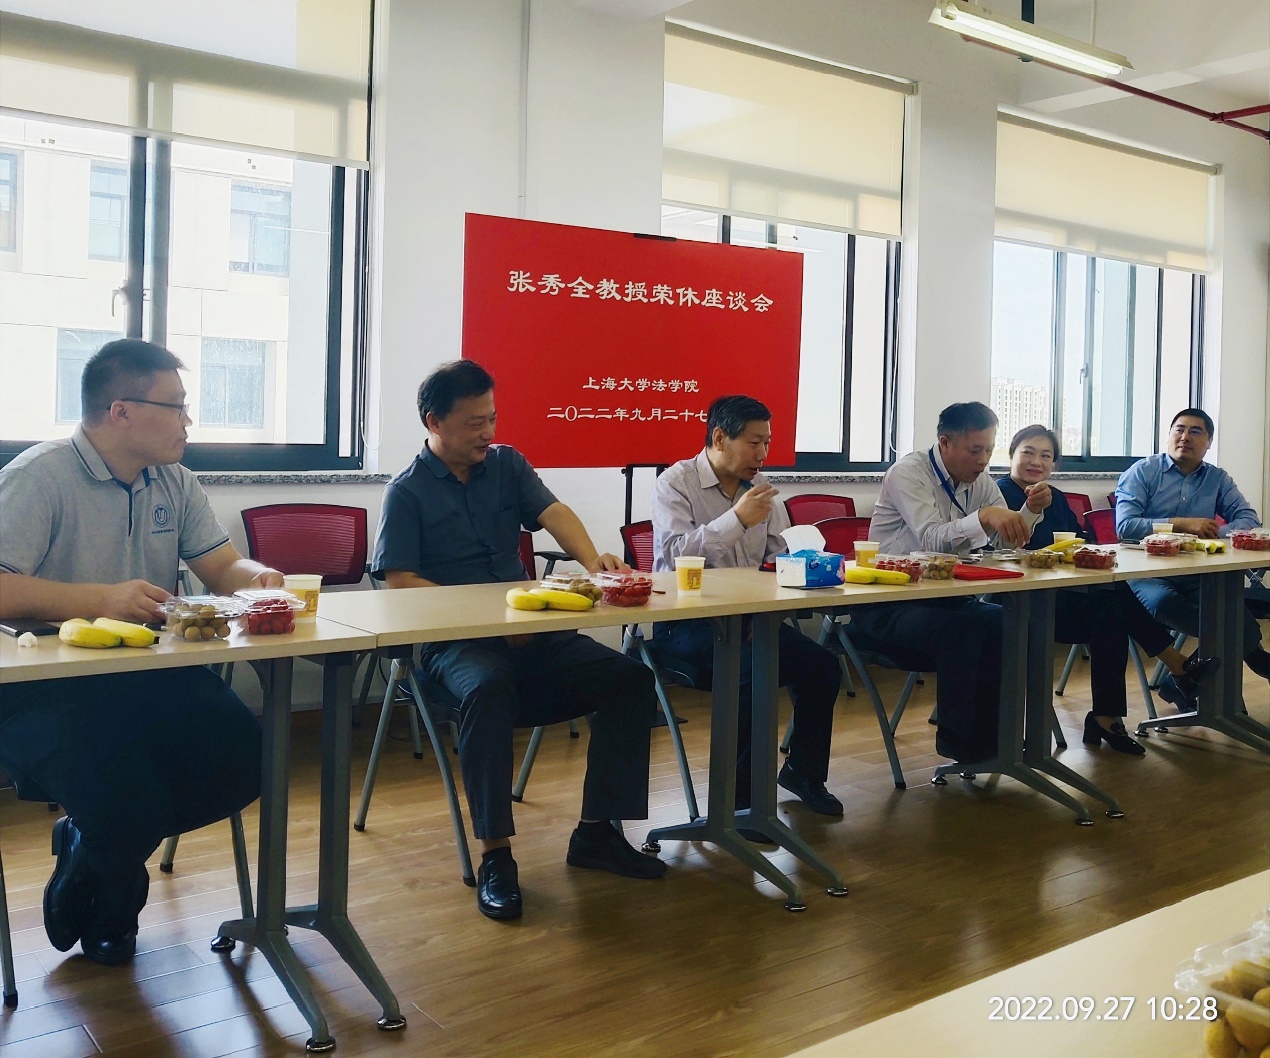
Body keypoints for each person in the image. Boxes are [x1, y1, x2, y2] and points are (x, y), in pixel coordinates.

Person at [0, 340, 271, 966]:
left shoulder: (174, 479)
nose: (187, 421)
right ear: (120, 411)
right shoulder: (39, 478)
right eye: (175, 406)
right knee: (125, 790)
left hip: (148, 670)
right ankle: (114, 892)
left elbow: (221, 565)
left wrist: (259, 580)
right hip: (46, 683)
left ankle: (89, 848)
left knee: (243, 756)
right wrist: (99, 599)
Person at [371, 360, 665, 922]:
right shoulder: (406, 491)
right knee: (488, 687)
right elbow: (400, 581)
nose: (488, 432)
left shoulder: (507, 465)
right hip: (454, 643)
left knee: (629, 678)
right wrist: (492, 614)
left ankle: (598, 833)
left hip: (528, 630)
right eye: (474, 423)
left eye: (493, 418)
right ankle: (496, 856)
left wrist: (593, 561)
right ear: (434, 422)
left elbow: (553, 512)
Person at [650, 395, 844, 838]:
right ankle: (741, 805)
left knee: (822, 666)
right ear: (720, 438)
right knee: (751, 673)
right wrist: (736, 519)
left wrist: (801, 569)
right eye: (754, 443)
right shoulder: (675, 483)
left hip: (752, 620)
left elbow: (776, 558)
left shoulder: (762, 489)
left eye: (767, 443)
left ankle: (803, 774)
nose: (763, 454)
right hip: (687, 623)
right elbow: (676, 556)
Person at [998, 425, 1216, 748]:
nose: (1036, 461)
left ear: (1053, 464)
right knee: (1113, 609)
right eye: (1028, 452)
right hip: (1017, 606)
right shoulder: (998, 494)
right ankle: (1176, 668)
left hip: (1061, 597)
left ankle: (1108, 717)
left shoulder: (1055, 496)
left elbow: (1076, 542)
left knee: (1111, 609)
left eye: (1046, 456)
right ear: (1011, 455)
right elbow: (1002, 550)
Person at [852, 402, 1037, 763]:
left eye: (989, 450)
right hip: (887, 603)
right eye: (975, 450)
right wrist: (983, 517)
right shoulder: (908, 474)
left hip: (946, 597)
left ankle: (1001, 737)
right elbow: (931, 538)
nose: (983, 460)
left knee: (1008, 622)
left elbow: (1005, 544)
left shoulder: (980, 480)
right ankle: (962, 743)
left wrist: (1029, 512)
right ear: (945, 443)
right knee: (965, 630)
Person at [1115, 408, 1270, 683]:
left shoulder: (1217, 478)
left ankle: (1184, 683)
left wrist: (1210, 534)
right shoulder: (1143, 472)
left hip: (1197, 570)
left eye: (1195, 431)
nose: (1185, 437)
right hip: (1147, 571)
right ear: (1169, 436)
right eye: (1180, 429)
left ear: (1209, 442)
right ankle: (1255, 657)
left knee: (1230, 606)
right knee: (1166, 603)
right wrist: (1181, 525)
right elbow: (1126, 526)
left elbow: (1248, 519)